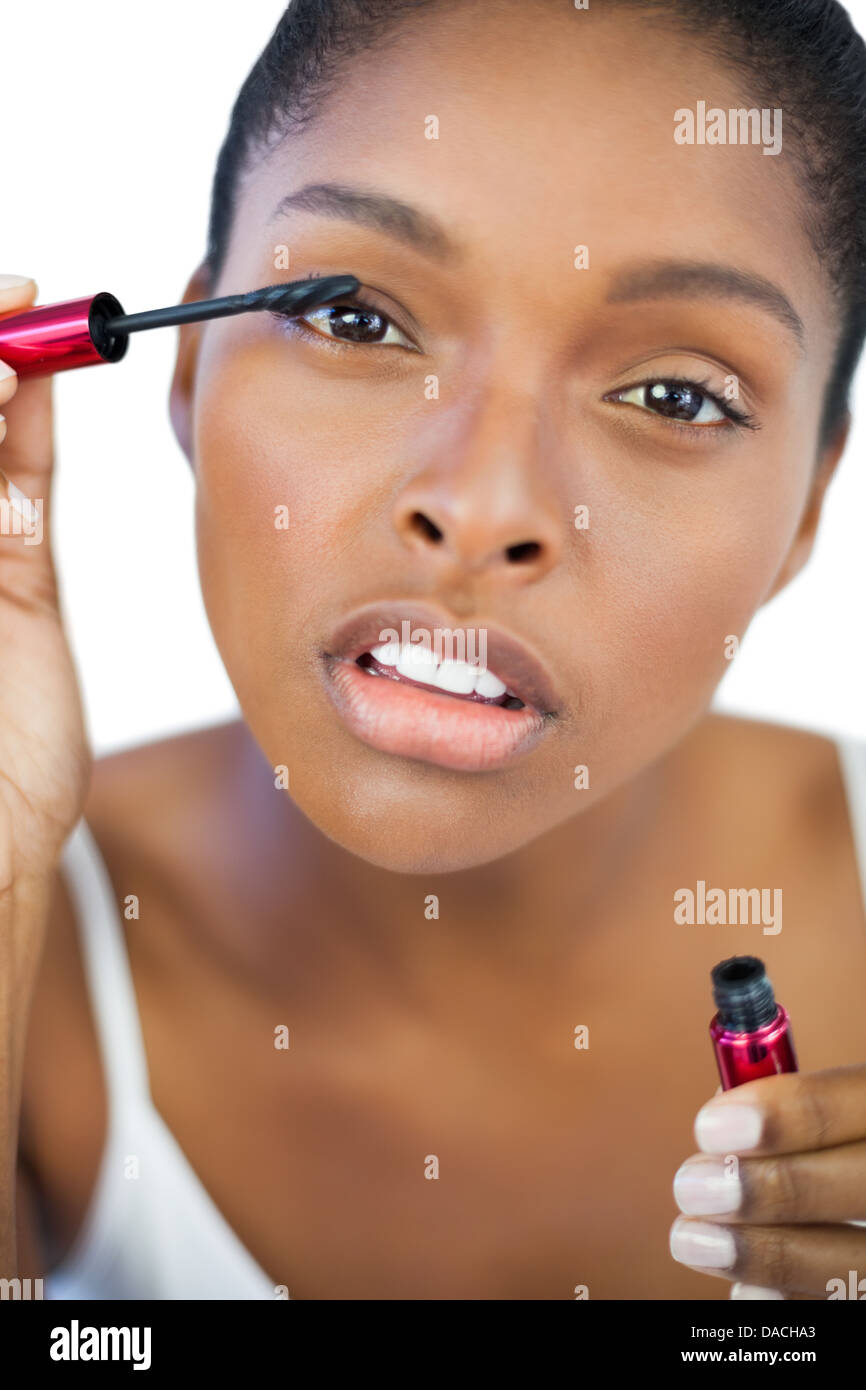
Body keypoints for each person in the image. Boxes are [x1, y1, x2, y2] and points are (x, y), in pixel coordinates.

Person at [4, 0, 866, 1300]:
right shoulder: (37, 961)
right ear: (186, 372)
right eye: (356, 322)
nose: (481, 505)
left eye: (675, 395)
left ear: (806, 506)